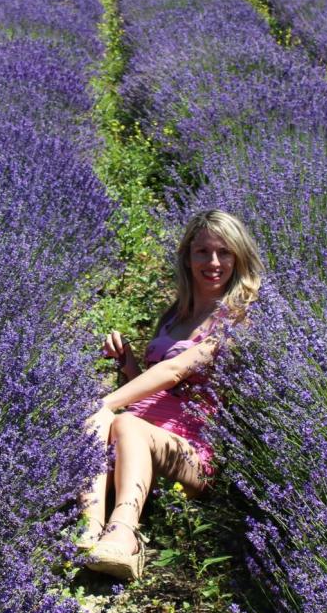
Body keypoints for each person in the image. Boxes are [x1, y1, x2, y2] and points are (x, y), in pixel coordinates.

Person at [77, 209, 266, 580]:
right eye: (203, 251)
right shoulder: (173, 316)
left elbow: (178, 370)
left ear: (239, 257)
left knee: (117, 418)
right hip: (142, 433)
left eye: (224, 252)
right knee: (109, 421)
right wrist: (128, 365)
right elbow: (157, 388)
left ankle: (124, 535)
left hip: (192, 451)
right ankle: (88, 528)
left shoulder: (240, 318)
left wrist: (105, 404)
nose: (213, 262)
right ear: (187, 256)